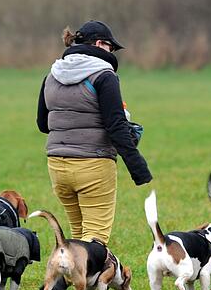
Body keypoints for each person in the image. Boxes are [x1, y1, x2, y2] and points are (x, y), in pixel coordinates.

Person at [36, 20, 152, 245]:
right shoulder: (104, 76)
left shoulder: (51, 75)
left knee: (78, 237)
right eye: (111, 47)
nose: (112, 52)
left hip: (57, 166)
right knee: (94, 242)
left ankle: (70, 277)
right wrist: (138, 168)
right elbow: (116, 126)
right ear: (100, 44)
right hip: (93, 165)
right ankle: (62, 282)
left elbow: (43, 124)